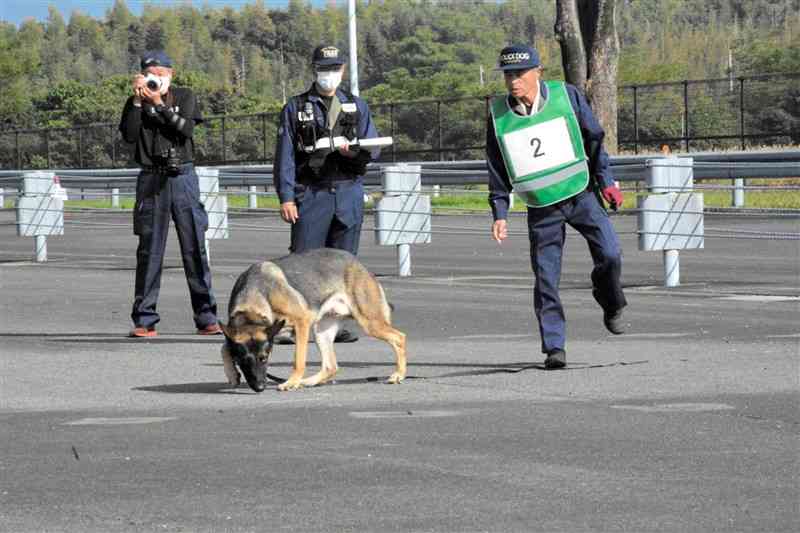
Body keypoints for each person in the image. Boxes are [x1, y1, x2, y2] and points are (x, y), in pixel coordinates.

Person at [486, 44, 627, 369]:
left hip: (581, 195)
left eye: (519, 74)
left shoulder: (566, 96)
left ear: (538, 72)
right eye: (508, 75)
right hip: (541, 208)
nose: (513, 82)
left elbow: (594, 139)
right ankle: (554, 347)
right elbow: (496, 166)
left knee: (610, 254)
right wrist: (500, 212)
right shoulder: (499, 116)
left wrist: (606, 180)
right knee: (546, 278)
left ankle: (611, 300)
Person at [273, 44, 380, 343]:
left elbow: (374, 148)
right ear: (314, 70)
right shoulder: (295, 107)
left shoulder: (357, 106)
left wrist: (354, 151)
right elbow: (285, 157)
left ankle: (332, 325)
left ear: (343, 70)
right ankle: (295, 325)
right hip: (312, 193)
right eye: (324, 69)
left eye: (334, 69)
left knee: (343, 264)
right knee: (303, 263)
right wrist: (286, 196)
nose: (329, 75)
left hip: (347, 192)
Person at [119, 50, 221, 338]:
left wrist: (160, 104)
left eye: (162, 73)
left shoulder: (184, 97)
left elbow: (185, 130)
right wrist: (139, 101)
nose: (157, 79)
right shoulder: (134, 102)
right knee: (149, 251)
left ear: (171, 74)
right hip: (151, 178)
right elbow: (128, 135)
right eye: (151, 74)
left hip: (183, 177)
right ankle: (144, 318)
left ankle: (207, 316)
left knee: (194, 248)